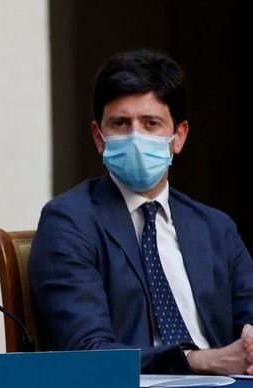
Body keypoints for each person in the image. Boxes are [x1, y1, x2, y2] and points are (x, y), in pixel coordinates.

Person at [28, 49, 253, 374]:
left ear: (179, 137)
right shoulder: (68, 222)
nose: (136, 137)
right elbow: (88, 351)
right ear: (99, 137)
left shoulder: (215, 228)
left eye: (151, 123)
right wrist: (200, 360)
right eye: (120, 123)